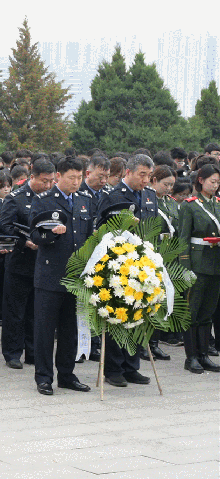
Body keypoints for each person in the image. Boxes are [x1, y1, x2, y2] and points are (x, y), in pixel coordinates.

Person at [31, 157, 95, 396]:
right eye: (71, 178)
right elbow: (35, 236)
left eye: (79, 178)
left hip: (76, 277)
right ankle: (44, 377)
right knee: (45, 330)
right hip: (50, 275)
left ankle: (66, 375)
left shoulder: (84, 200)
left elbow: (88, 236)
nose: (76, 183)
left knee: (70, 330)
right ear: (59, 176)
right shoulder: (44, 201)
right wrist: (52, 234)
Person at [97, 153, 158, 385]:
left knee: (138, 315)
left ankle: (131, 365)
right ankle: (113, 368)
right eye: (142, 174)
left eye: (149, 175)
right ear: (129, 172)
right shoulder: (113, 196)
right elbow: (102, 228)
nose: (145, 180)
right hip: (118, 264)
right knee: (118, 315)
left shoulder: (150, 196)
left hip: (143, 264)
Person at [0, 159, 55, 368]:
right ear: (32, 177)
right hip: (20, 262)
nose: (48, 186)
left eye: (51, 181)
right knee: (15, 311)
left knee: (36, 312)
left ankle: (33, 352)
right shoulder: (16, 198)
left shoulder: (50, 198)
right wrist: (25, 242)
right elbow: (5, 226)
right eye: (44, 181)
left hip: (42, 264)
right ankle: (12, 352)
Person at [178, 164, 220, 373]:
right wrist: (186, 267)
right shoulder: (190, 205)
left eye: (218, 182)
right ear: (201, 180)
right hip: (197, 262)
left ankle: (204, 355)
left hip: (216, 262)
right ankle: (191, 356)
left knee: (207, 311)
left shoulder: (218, 204)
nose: (215, 186)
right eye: (212, 181)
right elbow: (183, 238)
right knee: (192, 311)